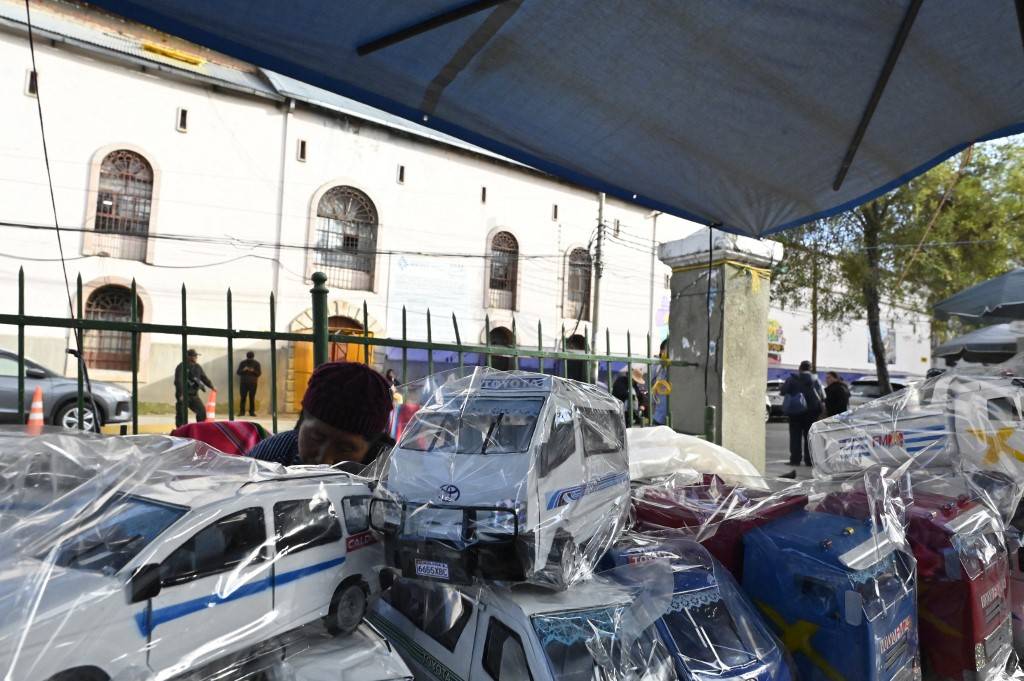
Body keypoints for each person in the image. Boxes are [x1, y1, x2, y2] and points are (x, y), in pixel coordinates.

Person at [246, 361, 394, 469]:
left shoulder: (394, 478)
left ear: (373, 447)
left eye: (344, 448)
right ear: (301, 423)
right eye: (316, 438)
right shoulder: (269, 460)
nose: (324, 460)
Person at [782, 360, 824, 466]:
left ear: (799, 368)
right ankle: (809, 460)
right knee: (809, 436)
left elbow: (783, 391)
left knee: (795, 436)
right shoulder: (816, 380)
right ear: (810, 369)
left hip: (795, 412)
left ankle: (795, 460)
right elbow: (823, 395)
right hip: (812, 412)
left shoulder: (792, 379)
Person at [174, 349, 214, 427]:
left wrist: (211, 386)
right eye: (194, 356)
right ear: (188, 357)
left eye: (196, 356)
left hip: (194, 395)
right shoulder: (181, 366)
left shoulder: (197, 367)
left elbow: (204, 378)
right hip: (183, 395)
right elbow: (178, 381)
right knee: (181, 415)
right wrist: (180, 394)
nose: (196, 357)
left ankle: (200, 429)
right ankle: (180, 430)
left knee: (202, 412)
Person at [236, 351, 262, 416]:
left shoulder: (256, 364)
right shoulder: (243, 363)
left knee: (252, 397)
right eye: (248, 358)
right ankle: (242, 412)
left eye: (250, 358)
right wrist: (243, 370)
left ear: (253, 357)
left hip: (252, 383)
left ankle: (251, 412)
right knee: (243, 397)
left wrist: (253, 371)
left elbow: (259, 373)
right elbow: (238, 372)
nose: (249, 359)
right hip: (244, 383)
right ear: (247, 357)